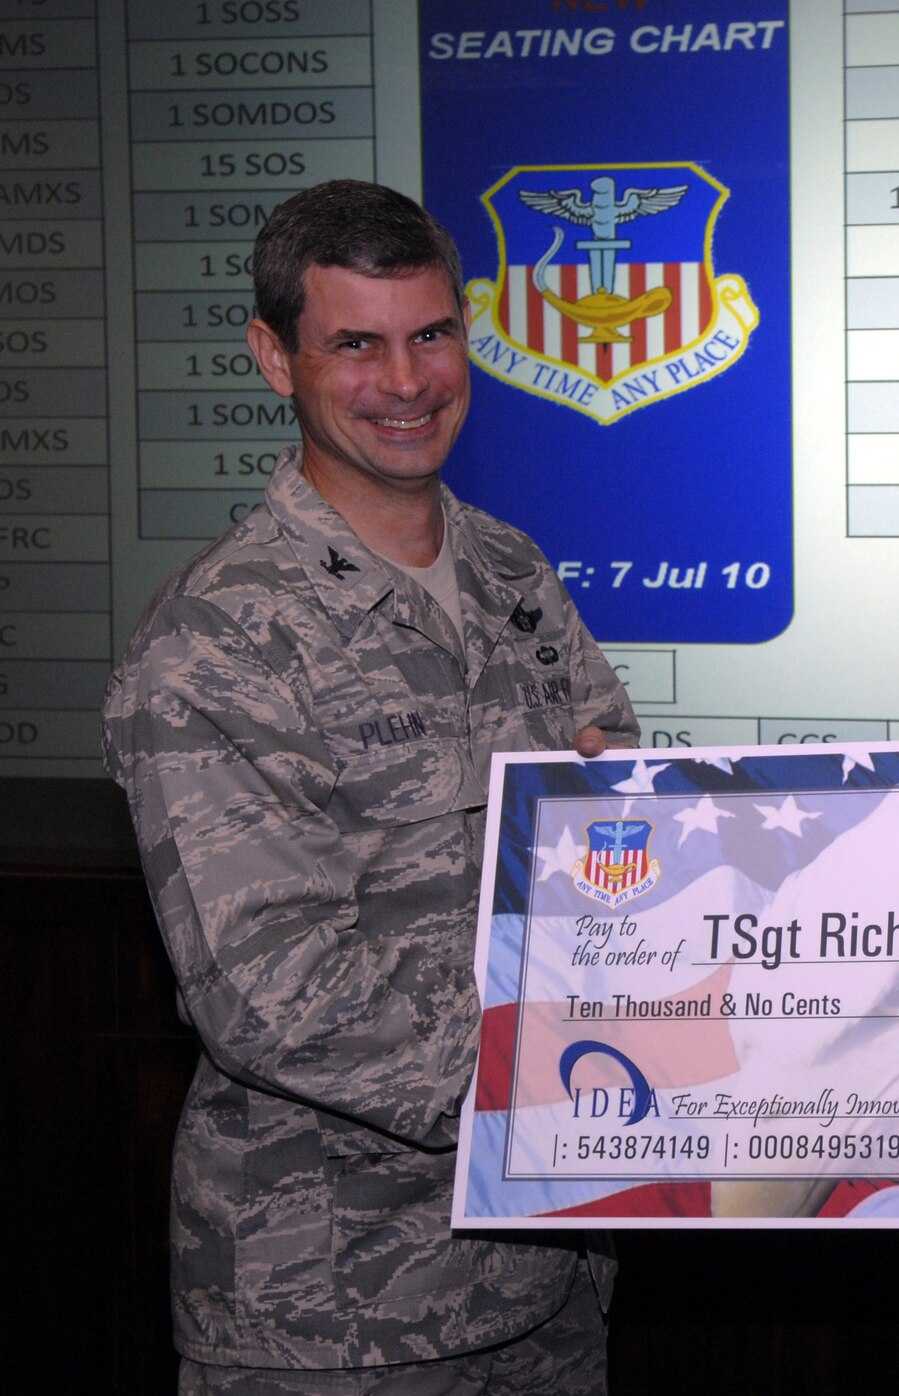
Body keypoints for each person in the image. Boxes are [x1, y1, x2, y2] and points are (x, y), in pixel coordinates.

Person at [102, 180, 637, 1393]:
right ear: (273, 358)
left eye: (430, 334)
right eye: (355, 344)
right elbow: (274, 992)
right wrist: (588, 1085)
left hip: (552, 1270)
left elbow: (616, 833)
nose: (406, 381)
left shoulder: (511, 572)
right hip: (337, 1309)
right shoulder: (219, 638)